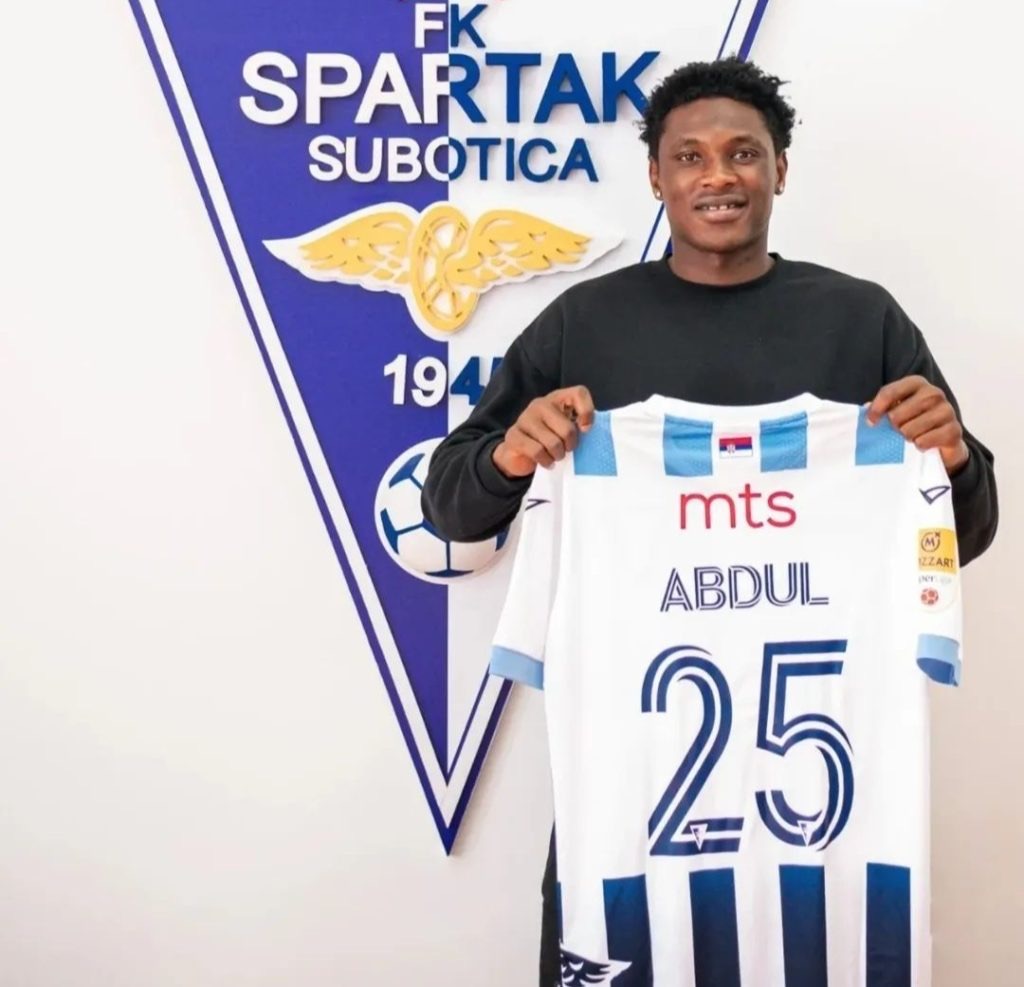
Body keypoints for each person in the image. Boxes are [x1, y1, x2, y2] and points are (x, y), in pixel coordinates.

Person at [421, 57, 998, 986]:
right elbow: (450, 502)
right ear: (656, 176)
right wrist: (511, 456)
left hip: (825, 802)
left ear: (780, 169)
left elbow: (964, 532)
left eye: (743, 153)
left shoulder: (862, 322)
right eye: (689, 156)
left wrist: (954, 456)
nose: (717, 175)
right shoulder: (583, 324)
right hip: (631, 800)